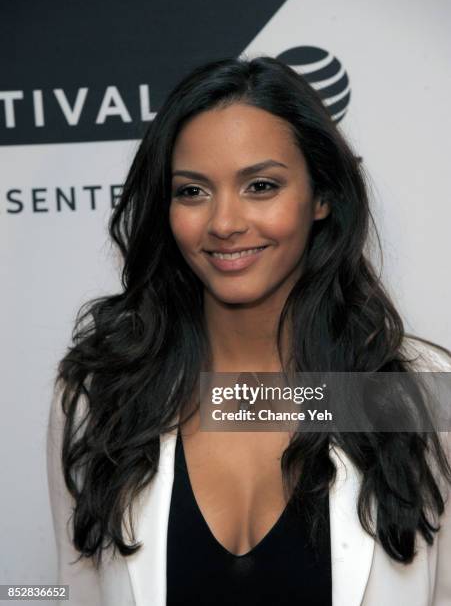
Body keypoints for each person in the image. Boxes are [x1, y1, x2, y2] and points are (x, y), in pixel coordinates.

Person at [46, 55, 451, 606]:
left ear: (323, 196)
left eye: (261, 185)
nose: (225, 222)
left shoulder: (415, 392)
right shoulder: (103, 395)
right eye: (192, 191)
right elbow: (76, 594)